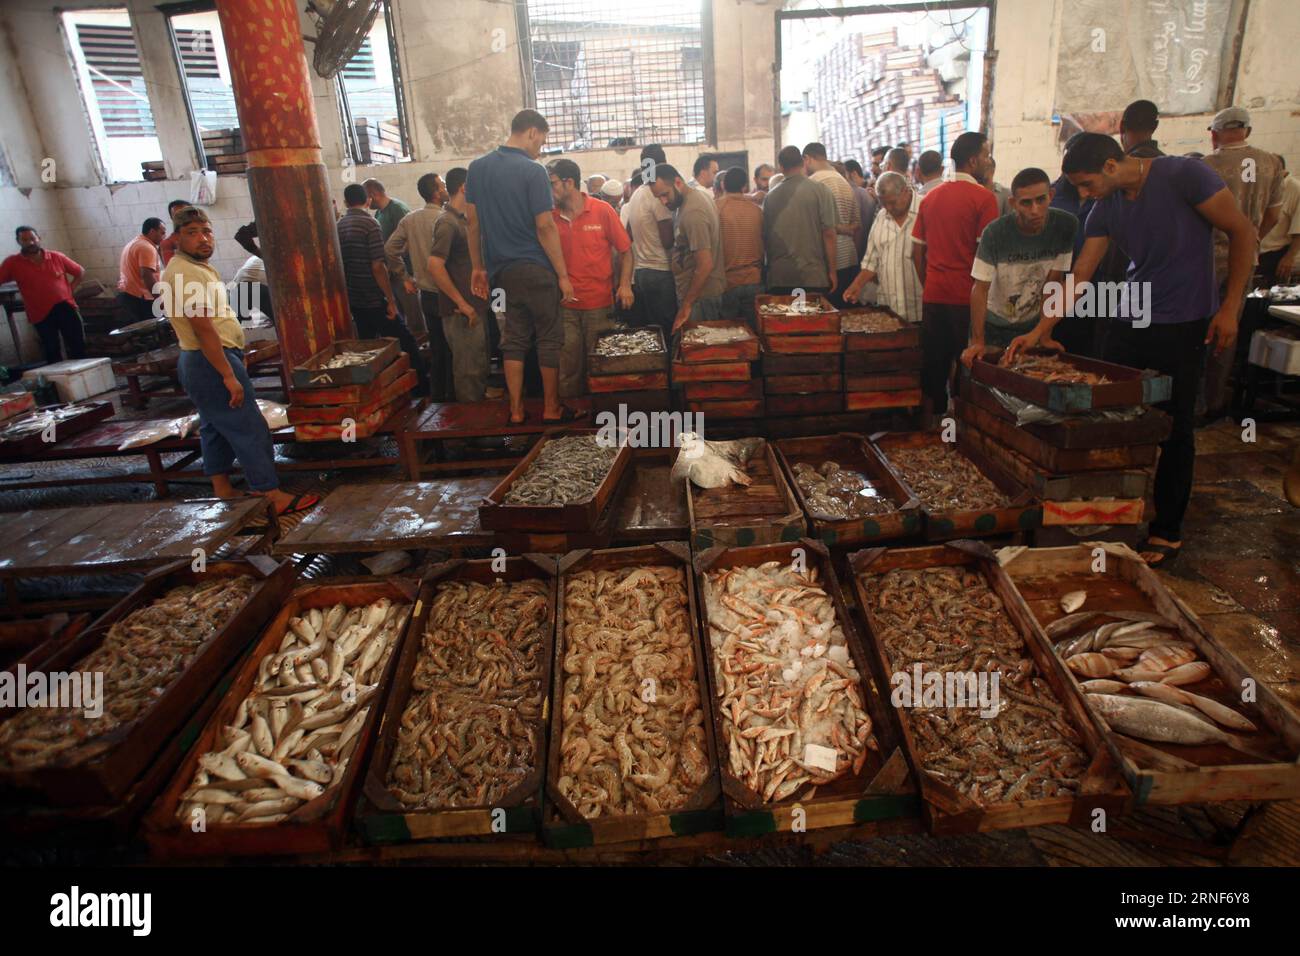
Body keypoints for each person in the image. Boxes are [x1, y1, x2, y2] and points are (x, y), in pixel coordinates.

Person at [1005, 133, 1257, 568]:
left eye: (1086, 185)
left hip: (1185, 320)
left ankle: (1167, 530)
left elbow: (1243, 231)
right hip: (1130, 318)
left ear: (1109, 165)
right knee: (1116, 418)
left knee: (1175, 427)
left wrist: (1231, 307)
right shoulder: (1105, 207)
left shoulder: (1184, 175)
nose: (1083, 196)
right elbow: (1081, 273)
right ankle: (1110, 517)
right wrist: (1041, 329)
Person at [159, 206, 317, 516]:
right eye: (192, 233)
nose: (203, 239)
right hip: (207, 360)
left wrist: (235, 357)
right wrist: (228, 374)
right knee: (249, 427)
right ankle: (269, 492)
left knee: (214, 426)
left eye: (206, 231)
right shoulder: (184, 272)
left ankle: (223, 489)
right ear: (177, 238)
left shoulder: (195, 267)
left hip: (206, 359)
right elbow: (203, 328)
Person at [466, 109, 582, 424]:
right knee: (548, 337)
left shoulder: (476, 169)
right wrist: (562, 275)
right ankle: (550, 408)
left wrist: (478, 266)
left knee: (513, 339)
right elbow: (545, 226)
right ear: (531, 132)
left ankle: (516, 411)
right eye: (541, 141)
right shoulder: (533, 172)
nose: (540, 148)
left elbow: (473, 222)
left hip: (501, 273)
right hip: (536, 270)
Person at [1202, 107, 1286, 418]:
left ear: (1214, 134)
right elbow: (1274, 215)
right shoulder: (1271, 163)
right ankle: (1215, 402)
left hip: (1210, 259)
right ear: (1247, 131)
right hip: (1247, 260)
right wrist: (1251, 242)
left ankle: (1194, 402)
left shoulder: (1208, 165)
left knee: (1201, 328)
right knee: (1228, 328)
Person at [911, 131, 999, 417]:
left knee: (934, 365)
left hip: (934, 294)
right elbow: (987, 257)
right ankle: (963, 425)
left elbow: (916, 253)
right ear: (973, 161)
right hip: (967, 298)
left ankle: (931, 426)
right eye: (986, 154)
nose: (989, 160)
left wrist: (930, 282)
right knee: (967, 365)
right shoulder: (984, 200)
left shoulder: (929, 199)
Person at [961, 167, 1077, 363]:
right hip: (993, 324)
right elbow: (980, 289)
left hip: (1032, 325)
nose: (1035, 210)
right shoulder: (995, 233)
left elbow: (1053, 282)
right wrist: (978, 341)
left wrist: (1045, 333)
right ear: (1013, 204)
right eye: (1026, 203)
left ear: (1051, 195)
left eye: (1041, 200)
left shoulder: (1065, 226)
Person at [547, 158, 633, 397]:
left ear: (570, 182)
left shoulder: (602, 211)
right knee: (569, 369)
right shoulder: (549, 218)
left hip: (599, 305)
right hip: (565, 307)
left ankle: (604, 421)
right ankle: (573, 423)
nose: (549, 189)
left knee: (602, 366)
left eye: (553, 183)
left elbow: (626, 251)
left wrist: (625, 285)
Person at [337, 182, 428, 394]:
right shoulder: (370, 223)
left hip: (355, 298)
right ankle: (421, 387)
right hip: (374, 296)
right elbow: (378, 265)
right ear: (368, 200)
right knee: (406, 342)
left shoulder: (340, 225)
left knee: (369, 347)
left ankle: (375, 393)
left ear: (345, 202)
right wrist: (390, 300)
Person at [386, 171, 453, 400]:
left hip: (427, 295)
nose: (446, 188)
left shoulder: (410, 219)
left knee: (437, 347)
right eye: (442, 185)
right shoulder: (447, 218)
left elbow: (390, 249)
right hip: (449, 294)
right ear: (436, 193)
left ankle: (438, 398)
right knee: (454, 348)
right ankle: (455, 399)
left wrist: (404, 276)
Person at [428, 167, 490, 404]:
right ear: (465, 187)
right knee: (468, 373)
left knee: (478, 368)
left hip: (474, 308)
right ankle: (470, 434)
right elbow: (434, 266)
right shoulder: (447, 222)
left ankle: (477, 429)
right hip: (460, 313)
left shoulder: (466, 220)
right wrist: (462, 304)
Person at [648, 164, 726, 331]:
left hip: (700, 297)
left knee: (698, 352)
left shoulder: (693, 212)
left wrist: (686, 305)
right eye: (658, 198)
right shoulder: (691, 199)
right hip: (697, 296)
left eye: (665, 194)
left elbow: (705, 265)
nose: (663, 201)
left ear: (677, 182)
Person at [843, 171, 923, 323]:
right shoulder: (881, 216)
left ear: (906, 191)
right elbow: (871, 261)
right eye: (883, 203)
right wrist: (856, 285)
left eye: (892, 202)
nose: (888, 208)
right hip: (889, 310)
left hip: (920, 309)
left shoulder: (925, 209)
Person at [0, 226, 86, 363]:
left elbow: (79, 272)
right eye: (25, 239)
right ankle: (59, 384)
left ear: (39, 238)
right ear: (18, 241)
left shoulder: (56, 257)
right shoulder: (12, 263)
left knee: (78, 346)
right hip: (39, 313)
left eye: (33, 238)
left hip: (65, 307)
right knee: (52, 350)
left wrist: (70, 290)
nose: (30, 243)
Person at [763, 145, 837, 296]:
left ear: (781, 167)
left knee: (785, 319)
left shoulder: (770, 197)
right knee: (813, 319)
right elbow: (829, 233)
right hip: (813, 275)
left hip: (781, 277)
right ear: (803, 162)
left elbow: (765, 238)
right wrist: (833, 271)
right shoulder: (821, 191)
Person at [622, 144, 677, 335]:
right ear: (663, 164)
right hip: (660, 270)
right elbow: (668, 240)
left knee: (653, 327)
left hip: (641, 271)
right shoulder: (658, 195)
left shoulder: (636, 194)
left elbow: (627, 234)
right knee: (668, 327)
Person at [804, 142, 861, 307]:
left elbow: (817, 226)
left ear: (807, 159)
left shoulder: (814, 183)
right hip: (849, 257)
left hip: (829, 261)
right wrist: (845, 229)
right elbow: (857, 225)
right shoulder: (844, 182)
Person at [716, 166, 763, 321]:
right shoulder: (756, 210)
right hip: (754, 278)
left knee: (729, 335)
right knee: (754, 334)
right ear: (744, 186)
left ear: (723, 185)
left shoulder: (716, 209)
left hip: (727, 282)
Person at [1259, 157, 1300, 284]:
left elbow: (1298, 228)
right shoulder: (1266, 187)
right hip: (1258, 252)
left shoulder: (1295, 189)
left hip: (1279, 254)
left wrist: (1289, 257)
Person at [116, 217, 164, 325]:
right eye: (162, 233)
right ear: (152, 232)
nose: (163, 237)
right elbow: (147, 275)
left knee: (143, 333)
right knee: (153, 330)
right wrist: (159, 300)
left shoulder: (133, 243)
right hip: (140, 298)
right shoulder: (147, 247)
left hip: (128, 295)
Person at [231, 221, 273, 324]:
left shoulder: (263, 257)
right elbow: (241, 235)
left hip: (238, 291)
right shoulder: (273, 261)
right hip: (244, 290)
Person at [842, 159, 880, 261]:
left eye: (843, 176)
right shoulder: (868, 192)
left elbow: (858, 228)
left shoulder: (856, 193)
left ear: (853, 174)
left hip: (863, 253)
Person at [159, 199, 188, 265]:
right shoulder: (168, 243)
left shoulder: (201, 236)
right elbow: (176, 273)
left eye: (185, 214)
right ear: (171, 217)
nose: (181, 218)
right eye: (177, 215)